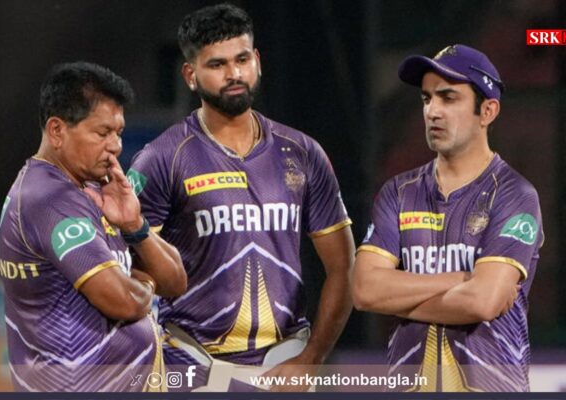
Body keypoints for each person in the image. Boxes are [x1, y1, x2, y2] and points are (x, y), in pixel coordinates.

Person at [127, 3, 355, 391]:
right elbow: (131, 274)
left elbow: (344, 266)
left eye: (242, 59)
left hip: (285, 363)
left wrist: (312, 358)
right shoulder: (162, 158)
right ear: (191, 76)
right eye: (217, 64)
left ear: (257, 61)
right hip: (191, 361)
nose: (234, 74)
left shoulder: (302, 152)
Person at [352, 44, 543, 392]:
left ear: (487, 111)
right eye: (427, 99)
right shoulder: (398, 192)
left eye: (448, 98)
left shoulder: (515, 194)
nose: (432, 112)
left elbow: (482, 301)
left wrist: (396, 298)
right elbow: (364, 290)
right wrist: (462, 278)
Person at [0, 61, 187, 392]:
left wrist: (135, 225)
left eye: (118, 133)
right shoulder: (48, 199)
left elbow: (175, 282)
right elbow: (125, 301)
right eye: (102, 133)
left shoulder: (94, 190)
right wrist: (144, 287)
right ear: (57, 131)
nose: (115, 146)